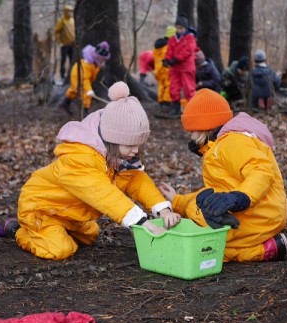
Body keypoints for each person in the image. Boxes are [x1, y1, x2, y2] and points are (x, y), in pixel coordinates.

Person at [11, 81, 182, 260]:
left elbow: (136, 180)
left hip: (70, 214)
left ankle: (57, 230)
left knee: (90, 235)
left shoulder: (117, 157)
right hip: (41, 209)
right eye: (130, 145)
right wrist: (140, 222)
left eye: (139, 145)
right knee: (60, 250)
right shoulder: (79, 159)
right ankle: (20, 232)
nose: (136, 150)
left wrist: (162, 209)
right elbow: (103, 194)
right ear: (112, 140)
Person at [158, 88, 287, 262]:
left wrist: (241, 197)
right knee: (206, 205)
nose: (190, 136)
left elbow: (261, 170)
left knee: (202, 236)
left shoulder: (231, 143)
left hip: (259, 215)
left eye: (192, 131)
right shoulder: (221, 145)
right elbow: (216, 191)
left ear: (204, 129)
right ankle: (272, 246)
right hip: (263, 215)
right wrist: (177, 201)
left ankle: (261, 250)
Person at [59, 41, 110, 115]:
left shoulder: (95, 64)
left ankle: (65, 103)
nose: (102, 61)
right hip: (77, 76)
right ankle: (85, 111)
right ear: (97, 57)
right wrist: (89, 90)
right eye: (101, 59)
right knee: (85, 94)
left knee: (74, 91)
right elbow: (85, 79)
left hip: (83, 77)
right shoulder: (87, 64)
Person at [163, 16, 197, 118]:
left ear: (186, 28)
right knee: (173, 87)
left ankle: (193, 110)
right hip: (175, 68)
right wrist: (167, 60)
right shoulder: (173, 39)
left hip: (186, 67)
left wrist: (176, 59)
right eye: (177, 28)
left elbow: (188, 51)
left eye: (181, 28)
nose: (179, 30)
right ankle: (175, 109)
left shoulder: (190, 38)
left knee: (189, 89)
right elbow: (169, 51)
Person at [152, 26, 175, 112]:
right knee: (168, 84)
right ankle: (166, 102)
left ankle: (161, 100)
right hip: (165, 68)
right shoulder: (167, 46)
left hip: (157, 69)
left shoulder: (158, 46)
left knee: (161, 85)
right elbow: (166, 57)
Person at [53, 5, 76, 82]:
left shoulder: (73, 20)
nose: (70, 13)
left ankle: (72, 75)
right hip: (64, 45)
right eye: (68, 11)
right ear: (65, 12)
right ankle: (62, 76)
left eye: (71, 11)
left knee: (72, 60)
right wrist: (59, 42)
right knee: (63, 60)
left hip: (72, 45)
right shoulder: (61, 21)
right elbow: (56, 32)